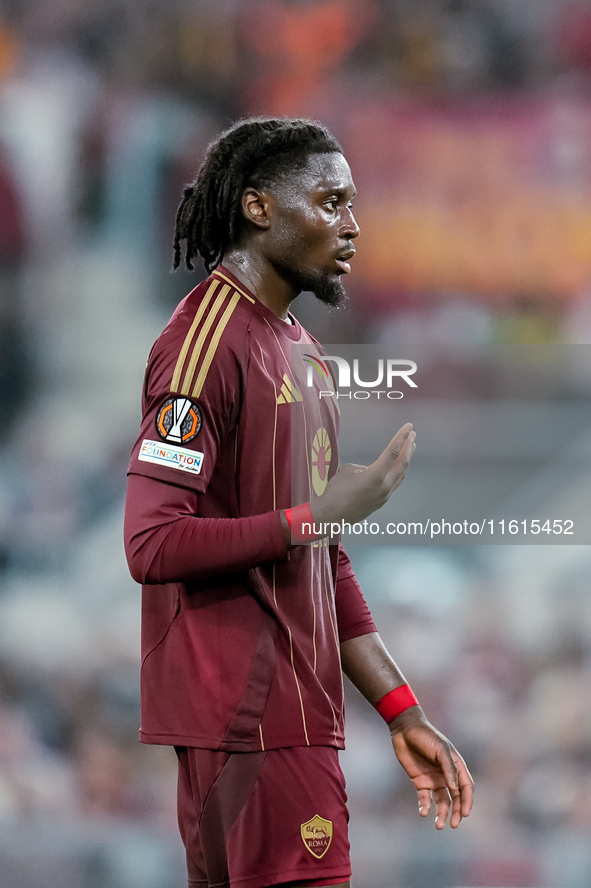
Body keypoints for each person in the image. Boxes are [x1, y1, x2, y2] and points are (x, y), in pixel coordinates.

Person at [124, 117, 473, 888]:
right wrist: (317, 517)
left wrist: (402, 710)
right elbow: (151, 545)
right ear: (257, 208)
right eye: (330, 201)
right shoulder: (202, 344)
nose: (352, 225)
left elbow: (318, 552)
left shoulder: (302, 353)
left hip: (301, 720)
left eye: (353, 204)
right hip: (243, 720)